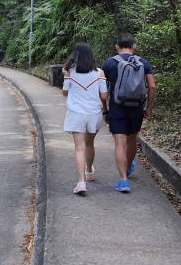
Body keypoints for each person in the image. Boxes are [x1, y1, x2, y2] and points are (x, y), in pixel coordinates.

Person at [101, 33, 156, 193]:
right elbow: (152, 87)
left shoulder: (109, 63)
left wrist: (105, 110)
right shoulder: (144, 63)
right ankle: (128, 167)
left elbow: (102, 91)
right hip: (137, 108)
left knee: (120, 142)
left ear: (117, 47)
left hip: (117, 107)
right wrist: (149, 108)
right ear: (134, 47)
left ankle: (123, 180)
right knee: (132, 140)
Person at [62, 43, 108, 196]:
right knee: (90, 144)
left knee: (79, 148)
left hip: (76, 114)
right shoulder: (100, 73)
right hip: (93, 114)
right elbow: (103, 96)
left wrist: (67, 76)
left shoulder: (70, 72)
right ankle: (89, 171)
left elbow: (65, 92)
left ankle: (81, 182)